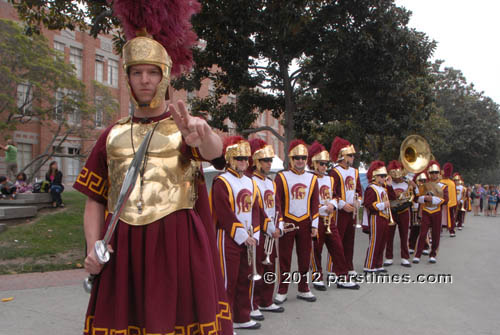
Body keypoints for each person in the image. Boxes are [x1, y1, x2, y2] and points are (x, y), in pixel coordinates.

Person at [73, 32, 233, 334]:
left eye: (152, 72)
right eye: (137, 72)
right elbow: (95, 199)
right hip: (123, 245)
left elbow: (216, 156)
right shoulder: (111, 136)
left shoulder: (185, 128)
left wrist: (206, 134)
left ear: (164, 77)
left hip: (177, 241)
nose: (145, 80)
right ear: (128, 78)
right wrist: (94, 247)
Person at [211, 136, 264, 330]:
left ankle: (242, 317)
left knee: (245, 277)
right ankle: (225, 323)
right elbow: (224, 213)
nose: (244, 162)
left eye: (246, 158)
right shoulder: (221, 181)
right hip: (228, 237)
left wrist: (255, 235)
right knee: (228, 281)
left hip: (249, 238)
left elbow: (256, 210)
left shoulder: (251, 182)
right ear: (230, 158)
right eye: (240, 158)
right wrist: (242, 235)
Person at [307, 141, 359, 290]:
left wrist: (334, 204)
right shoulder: (309, 179)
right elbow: (307, 202)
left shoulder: (329, 179)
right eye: (321, 164)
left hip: (330, 219)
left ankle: (342, 277)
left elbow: (335, 196)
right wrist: (323, 207)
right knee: (316, 250)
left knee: (338, 247)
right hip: (316, 220)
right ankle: (317, 277)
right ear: (314, 163)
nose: (324, 167)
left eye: (326, 164)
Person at [274, 140, 319, 304]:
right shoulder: (281, 176)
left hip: (306, 222)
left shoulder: (312, 178)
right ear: (291, 158)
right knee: (284, 258)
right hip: (287, 223)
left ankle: (303, 288)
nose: (300, 160)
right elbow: (277, 202)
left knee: (305, 258)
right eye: (297, 157)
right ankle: (282, 289)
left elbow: (315, 203)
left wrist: (315, 224)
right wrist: (279, 223)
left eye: (303, 157)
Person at [247, 138, 284, 319]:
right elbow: (257, 208)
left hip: (271, 231)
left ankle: (267, 300)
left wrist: (279, 225)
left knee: (270, 268)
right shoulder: (250, 181)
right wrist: (269, 226)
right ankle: (253, 304)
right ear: (256, 161)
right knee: (257, 269)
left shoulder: (271, 182)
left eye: (270, 160)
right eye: (266, 160)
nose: (270, 163)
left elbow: (277, 206)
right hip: (258, 231)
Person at [328, 137, 362, 276]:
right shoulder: (335, 172)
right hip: (340, 212)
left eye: (353, 155)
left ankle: (349, 265)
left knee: (349, 240)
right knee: (336, 241)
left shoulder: (355, 172)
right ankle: (332, 268)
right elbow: (332, 191)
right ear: (342, 156)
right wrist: (342, 205)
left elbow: (359, 189)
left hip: (352, 211)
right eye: (350, 155)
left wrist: (358, 200)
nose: (352, 157)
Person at [413, 161, 448, 264]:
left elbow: (446, 200)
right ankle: (417, 254)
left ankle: (433, 254)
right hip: (426, 211)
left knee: (436, 233)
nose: (434, 175)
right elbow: (416, 198)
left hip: (437, 211)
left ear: (439, 173)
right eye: (432, 173)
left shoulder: (443, 186)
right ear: (429, 173)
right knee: (423, 233)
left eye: (436, 172)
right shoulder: (424, 185)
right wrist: (424, 198)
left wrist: (432, 199)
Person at [362, 161, 392, 273]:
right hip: (376, 217)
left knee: (382, 241)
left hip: (384, 217)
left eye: (385, 176)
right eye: (382, 176)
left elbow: (393, 197)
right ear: (375, 176)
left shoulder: (384, 188)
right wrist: (383, 205)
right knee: (375, 242)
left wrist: (389, 185)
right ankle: (369, 265)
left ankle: (378, 264)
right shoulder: (371, 188)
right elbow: (368, 204)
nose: (385, 178)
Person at [383, 160, 413, 268]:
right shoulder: (388, 184)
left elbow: (413, 196)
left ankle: (405, 257)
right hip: (392, 211)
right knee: (389, 235)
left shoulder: (407, 183)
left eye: (399, 176)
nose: (397, 178)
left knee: (404, 235)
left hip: (404, 212)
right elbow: (388, 197)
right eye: (395, 177)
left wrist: (414, 186)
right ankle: (389, 257)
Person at [440, 163, 457, 237]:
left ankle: (440, 230)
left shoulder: (440, 182)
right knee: (451, 217)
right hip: (450, 203)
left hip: (441, 202)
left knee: (440, 216)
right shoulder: (452, 183)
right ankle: (452, 231)